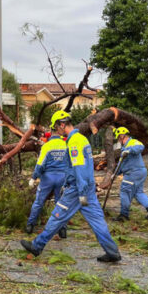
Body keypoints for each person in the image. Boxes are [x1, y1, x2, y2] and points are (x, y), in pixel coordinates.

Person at [20, 110, 121, 263]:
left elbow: (79, 166)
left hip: (77, 190)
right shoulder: (82, 139)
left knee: (58, 215)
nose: (56, 131)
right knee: (96, 219)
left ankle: (37, 245)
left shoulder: (74, 141)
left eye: (56, 127)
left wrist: (79, 191)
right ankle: (112, 252)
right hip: (87, 188)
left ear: (62, 124)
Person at [113, 127, 148, 221]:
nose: (118, 140)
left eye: (118, 138)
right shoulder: (124, 148)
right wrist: (115, 174)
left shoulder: (132, 142)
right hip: (139, 172)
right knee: (138, 193)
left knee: (125, 192)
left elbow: (140, 146)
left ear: (122, 136)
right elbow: (121, 164)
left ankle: (124, 215)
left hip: (133, 173)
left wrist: (129, 150)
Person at [26, 132, 67, 237]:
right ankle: (62, 229)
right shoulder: (65, 145)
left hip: (47, 178)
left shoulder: (47, 146)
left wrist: (34, 177)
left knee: (39, 202)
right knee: (61, 204)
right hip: (62, 177)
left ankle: (30, 226)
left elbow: (40, 164)